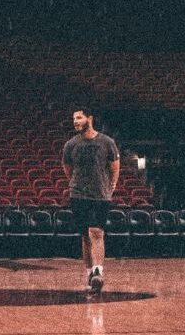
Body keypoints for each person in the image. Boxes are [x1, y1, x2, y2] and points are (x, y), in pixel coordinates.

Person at [62, 107, 119, 294]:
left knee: (96, 232)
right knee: (85, 236)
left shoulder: (107, 142)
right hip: (78, 195)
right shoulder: (71, 144)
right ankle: (89, 274)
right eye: (74, 119)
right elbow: (67, 168)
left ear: (90, 118)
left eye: (79, 118)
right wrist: (75, 185)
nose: (75, 121)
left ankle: (98, 271)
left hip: (100, 196)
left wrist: (111, 187)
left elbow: (114, 167)